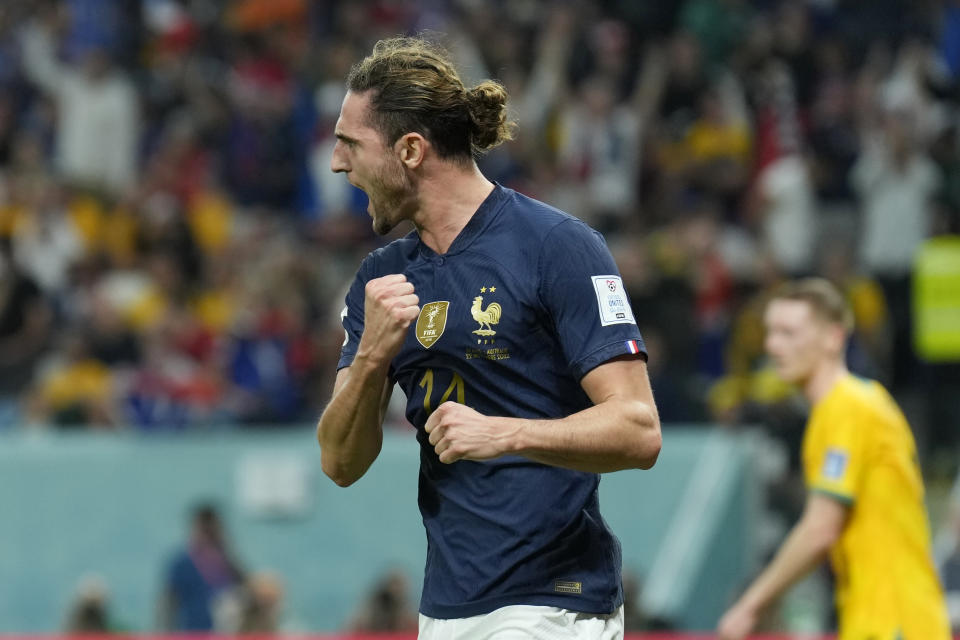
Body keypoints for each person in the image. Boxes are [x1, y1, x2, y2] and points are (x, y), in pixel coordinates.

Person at [317, 37, 661, 640]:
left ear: (411, 150)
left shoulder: (558, 247)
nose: (337, 164)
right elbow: (340, 463)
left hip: (552, 602)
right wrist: (372, 354)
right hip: (447, 608)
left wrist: (504, 432)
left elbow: (638, 429)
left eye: (350, 144)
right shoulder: (380, 279)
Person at [717, 278, 950, 640]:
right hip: (877, 617)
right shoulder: (832, 415)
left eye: (788, 332)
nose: (772, 346)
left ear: (833, 337)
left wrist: (751, 605)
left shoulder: (851, 408)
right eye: (770, 332)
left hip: (896, 620)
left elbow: (820, 527)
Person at [158, 503, 246, 631]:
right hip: (192, 632)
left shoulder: (228, 562)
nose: (208, 535)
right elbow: (168, 604)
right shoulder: (182, 564)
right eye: (204, 530)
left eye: (212, 530)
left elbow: (245, 588)